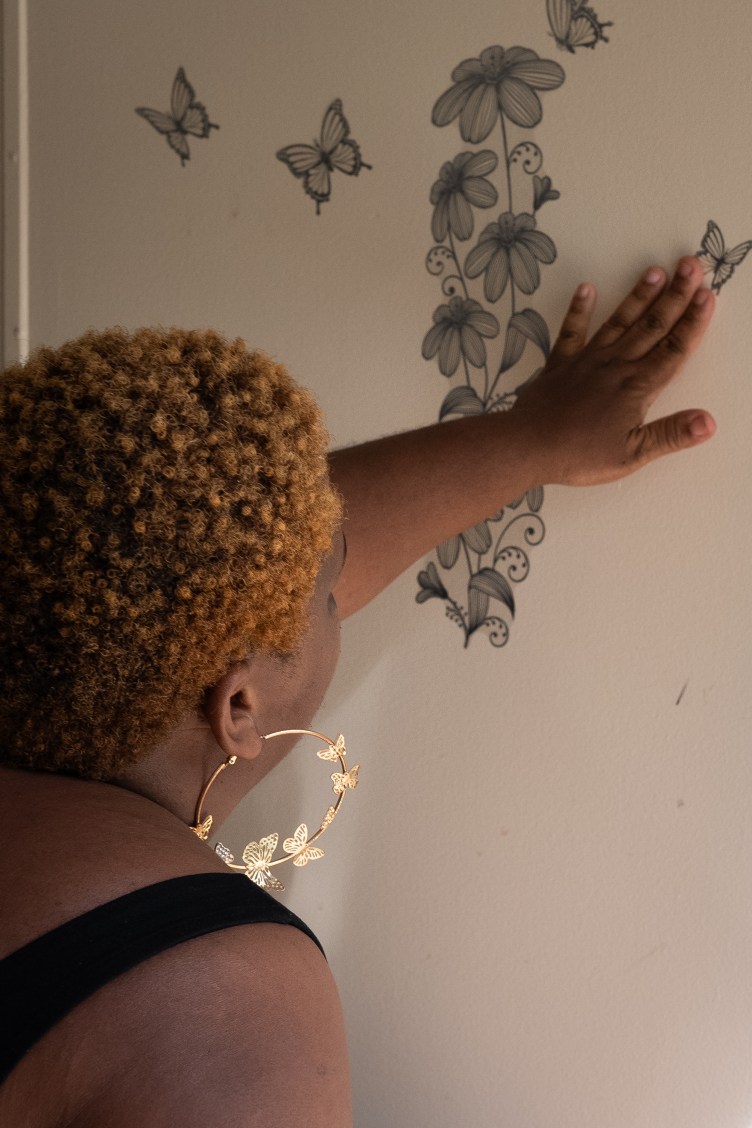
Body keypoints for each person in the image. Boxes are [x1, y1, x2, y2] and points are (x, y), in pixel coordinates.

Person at [0, 258, 715, 1126]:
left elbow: (172, 554)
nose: (340, 589)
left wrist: (535, 437)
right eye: (330, 593)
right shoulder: (210, 1001)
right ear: (237, 708)